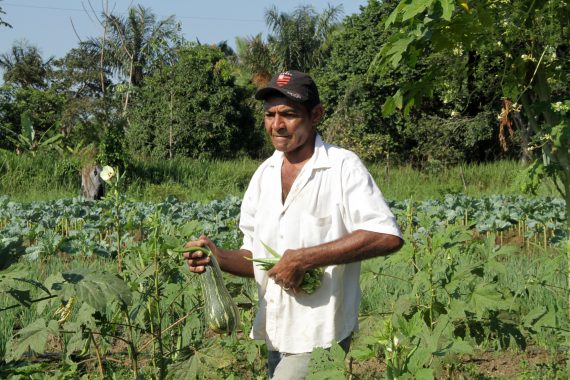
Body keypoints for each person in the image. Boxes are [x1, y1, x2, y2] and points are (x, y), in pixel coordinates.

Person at [183, 70, 403, 380]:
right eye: (270, 114)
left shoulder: (342, 167)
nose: (277, 124)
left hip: (320, 334)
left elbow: (386, 236)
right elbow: (255, 257)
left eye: (289, 114)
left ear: (315, 115)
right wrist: (216, 257)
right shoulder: (264, 175)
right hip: (275, 331)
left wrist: (305, 258)